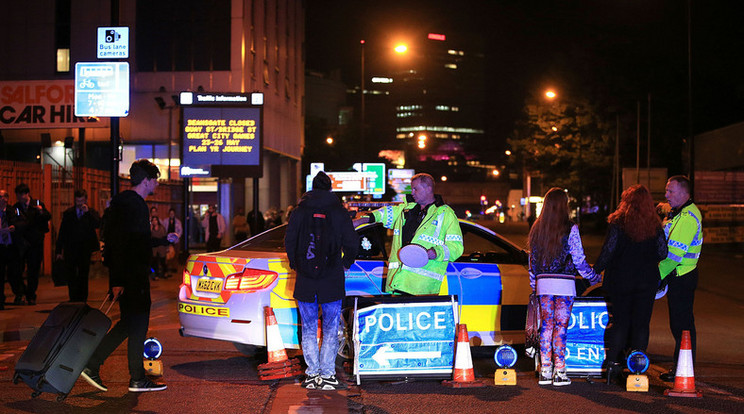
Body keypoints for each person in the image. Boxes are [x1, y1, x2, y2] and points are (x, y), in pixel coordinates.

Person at [80, 159, 178, 393]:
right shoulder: (136, 206)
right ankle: (135, 378)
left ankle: (93, 364)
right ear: (146, 180)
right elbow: (129, 245)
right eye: (155, 180)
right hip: (133, 277)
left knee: (128, 324)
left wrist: (116, 280)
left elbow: (120, 243)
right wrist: (119, 280)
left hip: (126, 276)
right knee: (139, 323)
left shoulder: (121, 204)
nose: (156, 184)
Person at [284, 171, 359, 390]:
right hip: (331, 278)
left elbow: (290, 240)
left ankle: (311, 374)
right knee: (330, 327)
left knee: (307, 328)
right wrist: (345, 263)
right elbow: (352, 242)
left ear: (311, 188)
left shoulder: (300, 211)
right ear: (330, 189)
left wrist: (296, 263)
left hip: (306, 279)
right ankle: (327, 374)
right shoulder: (339, 212)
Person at [593, 185, 667, 384]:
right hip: (646, 281)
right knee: (642, 324)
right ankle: (637, 369)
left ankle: (611, 367)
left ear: (626, 201)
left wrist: (595, 269)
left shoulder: (618, 222)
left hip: (621, 280)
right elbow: (663, 253)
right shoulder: (654, 224)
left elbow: (608, 251)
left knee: (620, 323)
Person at [527, 187, 599, 386]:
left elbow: (532, 261)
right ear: (564, 205)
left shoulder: (537, 228)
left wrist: (535, 285)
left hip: (544, 284)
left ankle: (545, 370)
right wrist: (592, 276)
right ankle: (560, 371)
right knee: (560, 327)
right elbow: (579, 259)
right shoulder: (571, 228)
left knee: (546, 326)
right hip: (565, 285)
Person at [352, 173, 463, 295]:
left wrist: (437, 252)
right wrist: (361, 220)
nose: (413, 192)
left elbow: (456, 247)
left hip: (422, 288)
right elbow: (382, 214)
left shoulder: (445, 214)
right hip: (398, 283)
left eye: (416, 189)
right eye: (412, 189)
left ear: (428, 188)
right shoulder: (406, 209)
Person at [657, 175, 703, 382]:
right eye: (666, 191)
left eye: (671, 192)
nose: (666, 195)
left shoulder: (687, 218)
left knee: (682, 325)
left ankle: (683, 370)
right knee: (680, 325)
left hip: (681, 276)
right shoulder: (680, 212)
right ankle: (682, 368)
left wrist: (654, 277)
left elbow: (674, 256)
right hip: (679, 276)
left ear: (685, 194)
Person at [55, 189, 101, 303]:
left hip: (85, 249)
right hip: (70, 248)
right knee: (71, 274)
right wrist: (58, 251)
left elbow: (98, 224)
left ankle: (82, 298)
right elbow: (62, 232)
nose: (79, 203)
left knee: (83, 274)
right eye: (77, 201)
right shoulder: (69, 213)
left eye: (81, 201)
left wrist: (87, 213)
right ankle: (73, 298)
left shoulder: (91, 212)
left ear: (85, 200)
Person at [11, 183, 51, 306]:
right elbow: (15, 220)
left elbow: (47, 216)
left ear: (26, 194)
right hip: (22, 243)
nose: (19, 198)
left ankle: (31, 295)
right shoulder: (17, 207)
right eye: (18, 195)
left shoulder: (37, 204)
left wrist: (41, 211)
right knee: (16, 270)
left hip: (35, 242)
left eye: (21, 195)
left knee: (33, 270)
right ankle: (21, 292)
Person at [0, 189, 20, 310]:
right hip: (0, 245)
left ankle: (19, 293)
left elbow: (22, 222)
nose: (2, 199)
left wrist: (14, 226)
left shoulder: (12, 210)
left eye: (4, 196)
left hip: (11, 246)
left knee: (14, 272)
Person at [150, 216, 167, 280]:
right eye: (153, 220)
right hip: (154, 247)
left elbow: (164, 237)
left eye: (155, 220)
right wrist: (151, 229)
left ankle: (164, 273)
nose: (154, 221)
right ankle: (155, 274)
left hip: (161, 246)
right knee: (154, 262)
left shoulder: (161, 228)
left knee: (162, 261)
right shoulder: (151, 228)